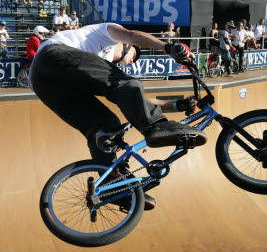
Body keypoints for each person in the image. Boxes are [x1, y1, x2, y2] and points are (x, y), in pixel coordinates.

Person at [29, 23, 207, 210]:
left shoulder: (94, 64)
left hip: (43, 85)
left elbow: (138, 100)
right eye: (134, 56)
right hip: (53, 55)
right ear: (124, 46)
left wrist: (176, 104)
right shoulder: (104, 34)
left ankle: (113, 187)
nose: (132, 62)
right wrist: (167, 47)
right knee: (128, 83)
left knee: (104, 126)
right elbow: (130, 35)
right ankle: (155, 127)